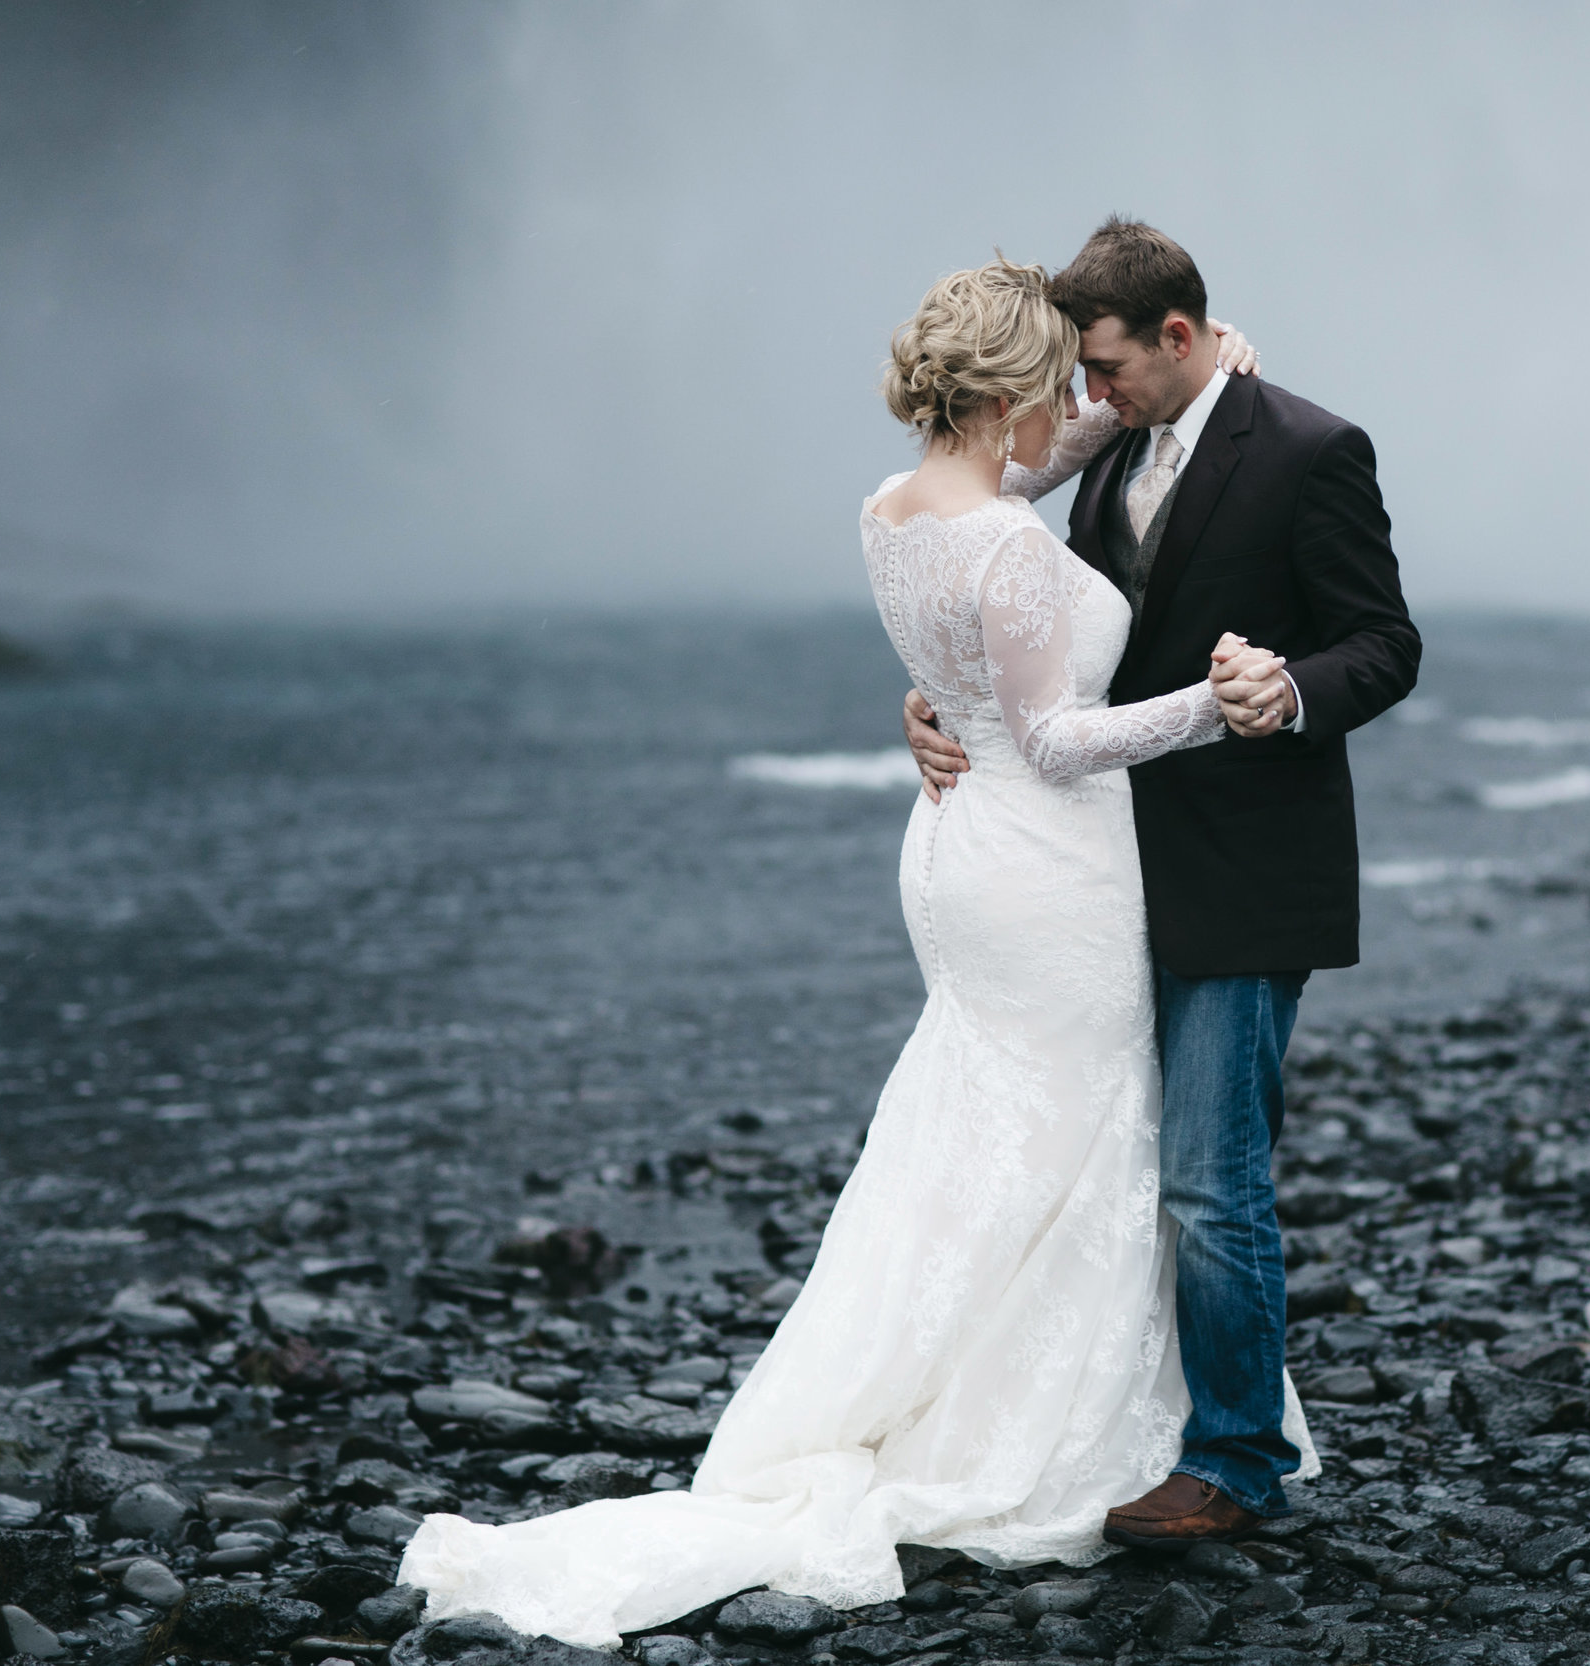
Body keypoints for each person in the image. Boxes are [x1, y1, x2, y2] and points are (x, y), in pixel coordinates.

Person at [395, 257, 1291, 1646]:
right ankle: (1035, 1422)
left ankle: (918, 1376)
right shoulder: (998, 540)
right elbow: (1054, 738)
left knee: (978, 1116)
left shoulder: (895, 510)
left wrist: (1214, 368)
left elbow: (1003, 563)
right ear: (1006, 395)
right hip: (1045, 861)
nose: (1078, 404)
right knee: (1078, 1123)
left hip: (953, 850)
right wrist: (1210, 706)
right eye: (1057, 385)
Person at [905, 217, 1421, 1546]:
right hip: (1105, 871)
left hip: (1248, 870)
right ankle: (1134, 1426)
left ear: (1180, 336)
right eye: (1078, 373)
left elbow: (1386, 644)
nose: (1088, 394)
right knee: (1125, 1167)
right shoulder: (1111, 447)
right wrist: (937, 696)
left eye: (1107, 366)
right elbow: (1032, 627)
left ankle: (1236, 1460)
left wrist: (1293, 688)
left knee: (1208, 1177)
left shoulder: (1312, 450)